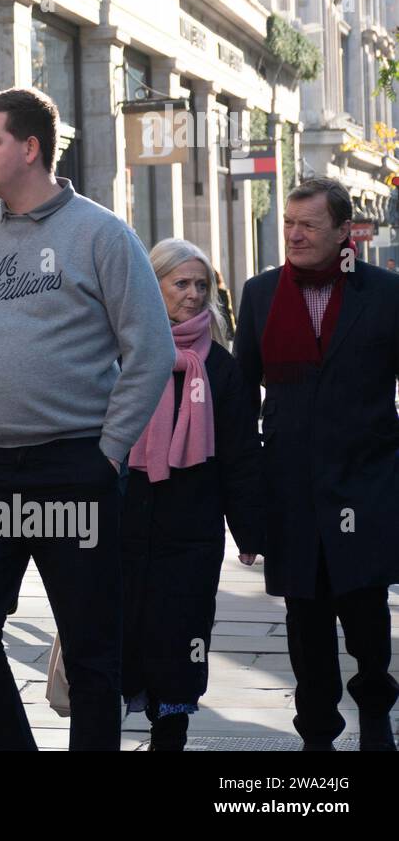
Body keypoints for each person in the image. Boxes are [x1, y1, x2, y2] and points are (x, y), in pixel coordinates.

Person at [0, 87, 176, 751]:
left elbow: (151, 349)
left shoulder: (102, 234)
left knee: (93, 651)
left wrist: (109, 450)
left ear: (31, 147)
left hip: (72, 468)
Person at [235, 176, 399, 751]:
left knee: (366, 615)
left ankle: (376, 713)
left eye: (308, 225)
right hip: (291, 492)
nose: (295, 235)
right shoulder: (260, 296)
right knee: (305, 623)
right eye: (288, 223)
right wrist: (246, 505)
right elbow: (239, 401)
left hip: (366, 487)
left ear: (343, 232)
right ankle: (318, 734)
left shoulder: (384, 293)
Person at [122, 238, 264, 750]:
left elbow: (241, 456)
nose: (193, 294)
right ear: (152, 286)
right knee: (119, 639)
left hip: (192, 533)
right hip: (124, 527)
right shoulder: (124, 353)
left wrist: (248, 530)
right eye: (180, 283)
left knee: (183, 641)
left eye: (201, 285)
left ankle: (170, 737)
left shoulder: (221, 369)